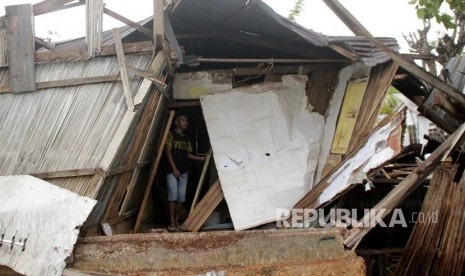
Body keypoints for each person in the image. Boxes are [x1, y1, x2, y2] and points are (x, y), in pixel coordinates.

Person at [165, 114, 204, 232]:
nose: (185, 122)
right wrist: (174, 169)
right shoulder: (171, 134)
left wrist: (201, 159)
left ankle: (177, 220)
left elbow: (188, 154)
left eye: (186, 120)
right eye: (183, 120)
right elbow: (167, 152)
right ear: (176, 122)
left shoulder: (186, 138)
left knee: (181, 198)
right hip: (171, 171)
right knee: (173, 196)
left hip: (184, 171)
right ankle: (171, 221)